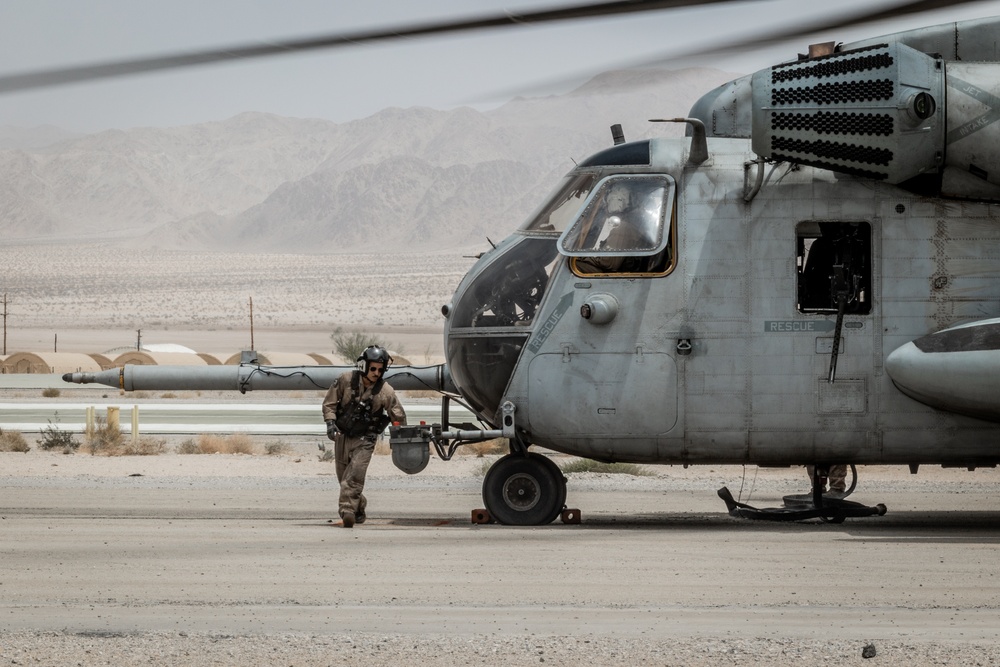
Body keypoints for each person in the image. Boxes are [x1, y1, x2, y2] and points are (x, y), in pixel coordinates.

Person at [322, 345, 406, 528]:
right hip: (342, 437)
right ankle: (359, 508)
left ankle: (347, 512)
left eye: (380, 369)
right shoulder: (345, 380)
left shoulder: (386, 391)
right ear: (363, 366)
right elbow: (329, 403)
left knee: (353, 477)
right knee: (342, 478)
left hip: (366, 440)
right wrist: (330, 423)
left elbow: (398, 416)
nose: (377, 373)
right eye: (373, 368)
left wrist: (401, 439)